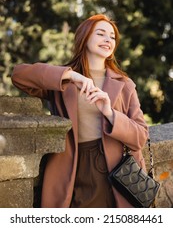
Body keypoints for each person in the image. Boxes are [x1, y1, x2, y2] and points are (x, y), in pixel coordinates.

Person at [11, 14, 149, 208]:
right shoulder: (64, 81)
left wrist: (110, 113)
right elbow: (18, 75)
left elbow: (141, 136)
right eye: (101, 34)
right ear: (84, 37)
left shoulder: (124, 84)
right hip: (71, 167)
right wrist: (72, 75)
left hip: (115, 169)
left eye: (112, 37)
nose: (108, 40)